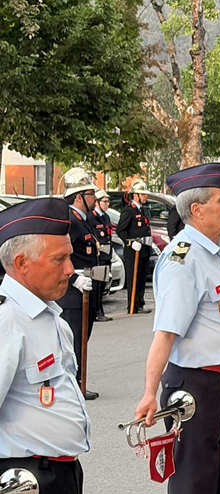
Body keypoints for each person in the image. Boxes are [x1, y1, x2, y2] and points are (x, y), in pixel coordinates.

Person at [133, 162, 220, 494]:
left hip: (218, 385)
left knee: (213, 487)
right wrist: (150, 392)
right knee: (193, 491)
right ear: (197, 209)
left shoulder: (211, 251)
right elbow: (165, 334)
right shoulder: (183, 258)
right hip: (194, 387)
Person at [0, 197, 90, 494]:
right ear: (22, 263)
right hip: (22, 486)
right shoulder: (7, 321)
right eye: (60, 259)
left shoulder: (49, 315)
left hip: (58, 479)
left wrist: (69, 490)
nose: (70, 268)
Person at [58, 168, 103, 401]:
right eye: (91, 194)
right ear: (78, 196)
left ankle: (77, 382)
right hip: (73, 291)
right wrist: (74, 279)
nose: (94, 199)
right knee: (73, 340)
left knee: (81, 339)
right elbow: (58, 255)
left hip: (87, 287)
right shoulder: (69, 220)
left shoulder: (83, 220)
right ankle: (71, 384)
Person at [117, 179, 153, 315]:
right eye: (143, 194)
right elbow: (121, 230)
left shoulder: (143, 210)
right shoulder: (129, 211)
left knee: (142, 277)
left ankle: (140, 302)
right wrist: (130, 242)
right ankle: (132, 305)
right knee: (134, 278)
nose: (145, 197)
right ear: (136, 195)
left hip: (143, 249)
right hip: (133, 251)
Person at [91, 189, 114, 322]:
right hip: (99, 256)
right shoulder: (91, 217)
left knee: (102, 286)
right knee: (97, 286)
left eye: (108, 201)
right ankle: (96, 312)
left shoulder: (105, 217)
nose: (107, 204)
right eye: (104, 201)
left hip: (106, 255)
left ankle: (100, 311)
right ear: (97, 202)